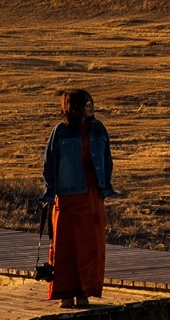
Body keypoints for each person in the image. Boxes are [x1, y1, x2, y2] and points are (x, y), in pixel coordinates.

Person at [42, 89, 117, 308]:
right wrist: (50, 192)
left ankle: (85, 293)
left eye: (91, 102)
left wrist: (106, 185)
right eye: (86, 103)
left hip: (92, 195)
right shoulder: (60, 132)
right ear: (73, 107)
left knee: (89, 246)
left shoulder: (98, 128)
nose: (90, 106)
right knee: (64, 246)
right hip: (66, 196)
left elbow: (107, 159)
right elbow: (49, 163)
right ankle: (65, 294)